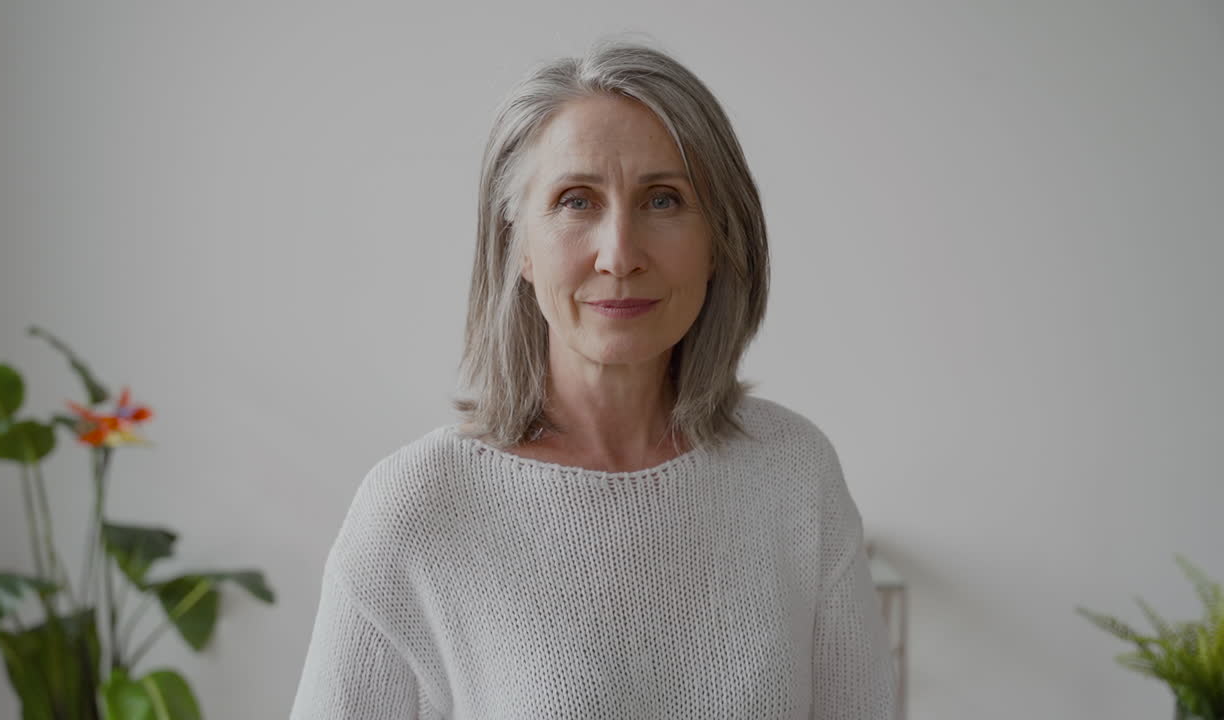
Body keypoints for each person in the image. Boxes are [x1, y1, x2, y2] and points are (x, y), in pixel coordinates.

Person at [289, 37, 897, 720]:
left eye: (663, 201)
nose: (620, 254)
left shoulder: (794, 474)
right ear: (515, 243)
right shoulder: (418, 508)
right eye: (577, 201)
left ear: (719, 240)